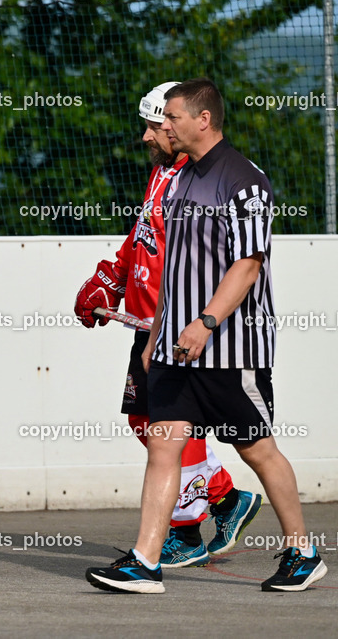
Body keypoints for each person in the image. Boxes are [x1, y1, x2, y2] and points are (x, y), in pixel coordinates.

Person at [85, 78, 328, 593]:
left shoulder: (244, 181)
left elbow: (248, 264)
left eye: (171, 118)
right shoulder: (175, 180)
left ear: (203, 119)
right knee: (163, 445)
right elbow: (171, 266)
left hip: (230, 348)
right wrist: (157, 334)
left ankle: (303, 552)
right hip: (175, 346)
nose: (160, 129)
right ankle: (145, 561)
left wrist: (206, 322)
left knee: (257, 450)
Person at [73, 82, 261, 569]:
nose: (147, 136)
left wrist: (176, 324)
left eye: (156, 126)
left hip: (175, 326)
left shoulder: (193, 180)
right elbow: (143, 237)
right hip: (151, 322)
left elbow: (203, 262)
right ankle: (223, 498)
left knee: (171, 427)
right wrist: (111, 278)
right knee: (150, 423)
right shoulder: (162, 173)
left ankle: (186, 530)